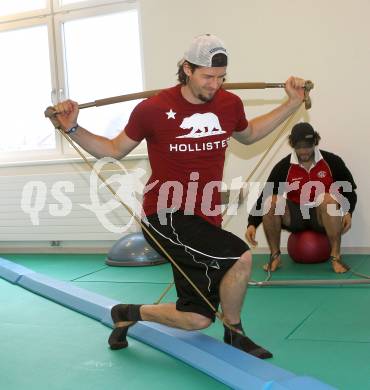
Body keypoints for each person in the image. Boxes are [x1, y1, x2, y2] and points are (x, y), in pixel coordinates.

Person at [49, 34, 307, 359]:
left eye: (221, 77)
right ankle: (235, 332)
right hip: (165, 214)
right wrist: (72, 128)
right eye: (207, 77)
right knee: (239, 257)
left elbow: (250, 133)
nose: (215, 85)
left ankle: (127, 312)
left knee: (195, 318)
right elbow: (113, 149)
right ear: (187, 68)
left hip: (204, 217)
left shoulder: (229, 105)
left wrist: (292, 104)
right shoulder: (153, 109)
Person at [245, 122, 357, 273]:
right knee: (271, 202)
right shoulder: (284, 166)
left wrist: (348, 212)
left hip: (321, 216)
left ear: (315, 142)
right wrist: (252, 223)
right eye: (299, 147)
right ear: (292, 144)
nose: (304, 151)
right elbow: (266, 194)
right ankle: (275, 257)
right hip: (295, 216)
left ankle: (336, 258)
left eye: (308, 146)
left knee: (327, 199)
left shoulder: (332, 161)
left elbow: (349, 190)